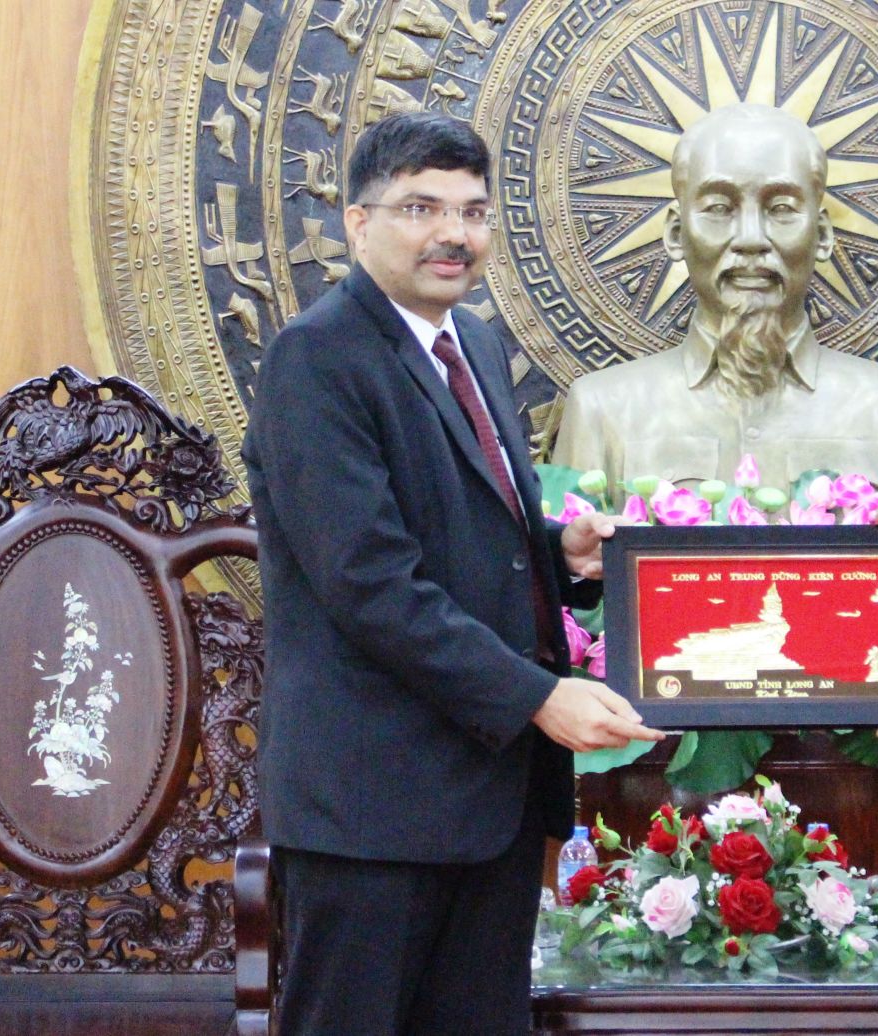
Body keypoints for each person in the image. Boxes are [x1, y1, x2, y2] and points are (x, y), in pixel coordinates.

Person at [242, 112, 662, 1036]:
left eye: (473, 212)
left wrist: (563, 553)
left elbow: (464, 538)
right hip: (374, 806)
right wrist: (536, 697)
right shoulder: (318, 358)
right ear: (357, 224)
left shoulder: (467, 344)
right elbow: (370, 585)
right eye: (421, 207)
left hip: (487, 796)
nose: (453, 234)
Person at [552, 103, 878, 510]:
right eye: (719, 209)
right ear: (675, 233)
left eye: (781, 209)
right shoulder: (600, 411)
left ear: (823, 233)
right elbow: (577, 566)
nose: (750, 239)